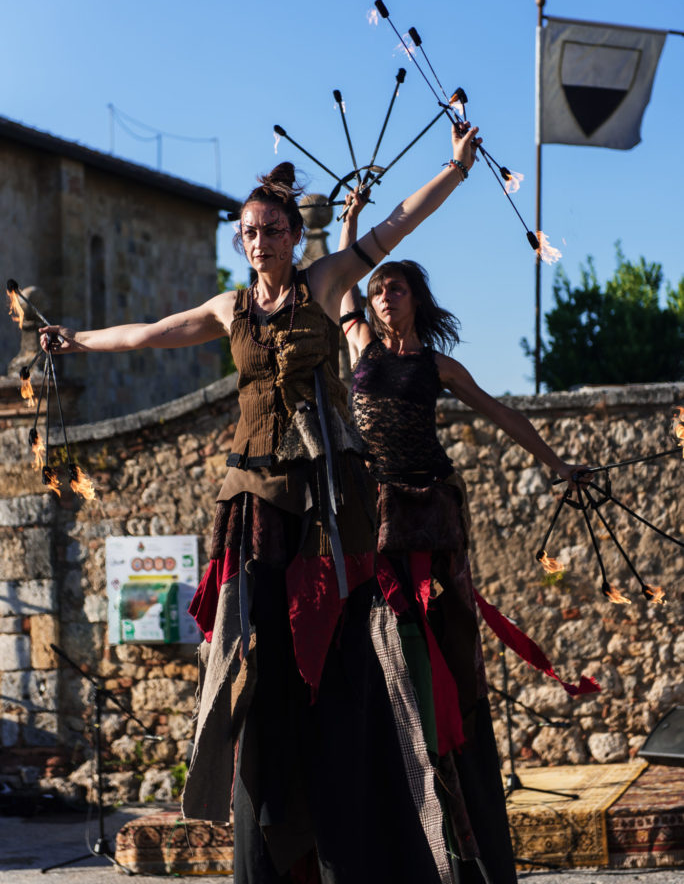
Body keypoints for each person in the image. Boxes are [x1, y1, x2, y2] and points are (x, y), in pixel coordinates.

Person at [40, 123, 484, 884]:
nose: (257, 242)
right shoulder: (229, 307)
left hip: (322, 501)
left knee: (336, 657)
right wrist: (76, 342)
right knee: (258, 659)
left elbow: (396, 224)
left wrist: (456, 169)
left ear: (291, 233)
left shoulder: (324, 284)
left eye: (270, 231)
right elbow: (149, 334)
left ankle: (355, 818)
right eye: (247, 233)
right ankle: (269, 819)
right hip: (250, 500)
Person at [337, 195, 595, 884]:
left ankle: (462, 820)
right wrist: (353, 219)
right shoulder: (358, 342)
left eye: (396, 287)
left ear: (416, 300)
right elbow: (339, 281)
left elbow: (505, 414)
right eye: (378, 287)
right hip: (376, 513)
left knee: (447, 650)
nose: (384, 295)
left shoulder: (440, 369)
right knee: (377, 648)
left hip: (431, 518)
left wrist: (558, 464)